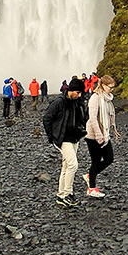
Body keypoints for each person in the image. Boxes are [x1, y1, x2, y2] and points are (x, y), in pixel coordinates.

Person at [43, 77, 87, 208]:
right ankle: (68, 193)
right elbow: (47, 118)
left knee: (66, 166)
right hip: (62, 138)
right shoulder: (59, 102)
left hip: (74, 137)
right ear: (72, 90)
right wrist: (51, 136)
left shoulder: (76, 101)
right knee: (73, 165)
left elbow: (82, 117)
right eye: (78, 93)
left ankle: (61, 195)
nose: (79, 95)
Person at [83, 75, 118, 199]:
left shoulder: (107, 99)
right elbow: (92, 118)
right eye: (110, 87)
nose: (111, 89)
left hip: (105, 134)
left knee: (109, 158)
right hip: (93, 135)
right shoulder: (95, 98)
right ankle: (91, 188)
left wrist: (111, 129)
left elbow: (109, 115)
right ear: (103, 85)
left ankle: (90, 176)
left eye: (113, 87)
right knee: (96, 161)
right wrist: (98, 135)